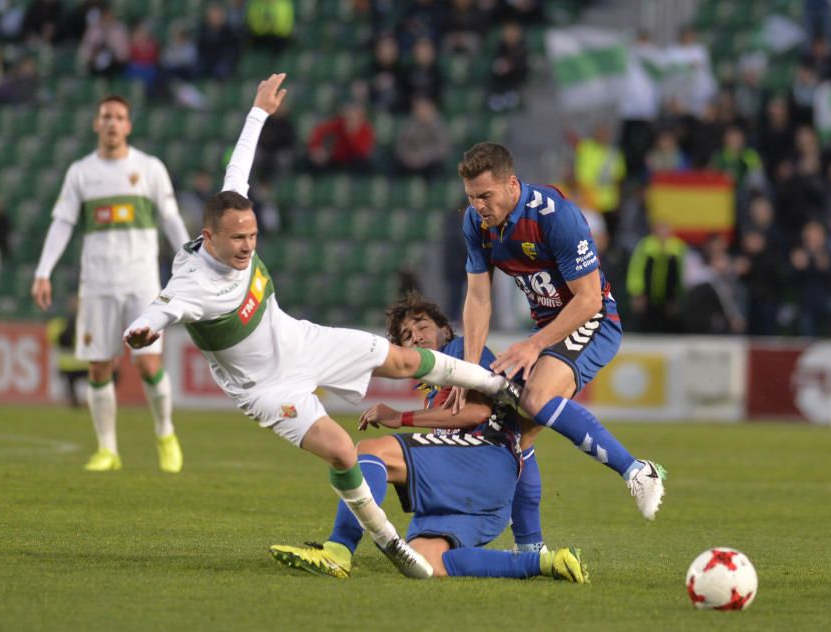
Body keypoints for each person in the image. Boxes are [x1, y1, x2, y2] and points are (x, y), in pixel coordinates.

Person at [122, 74, 522, 580]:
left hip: (299, 340)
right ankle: (386, 543)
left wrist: (258, 111)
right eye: (238, 239)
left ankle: (493, 383)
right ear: (209, 237)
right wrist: (143, 327)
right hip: (264, 388)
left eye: (253, 235)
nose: (248, 247)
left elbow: (237, 166)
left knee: (397, 359)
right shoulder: (192, 284)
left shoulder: (230, 213)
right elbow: (163, 309)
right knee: (340, 449)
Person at [269, 291, 583, 581]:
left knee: (370, 451)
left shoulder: (460, 351)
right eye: (407, 336)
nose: (416, 336)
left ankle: (338, 550)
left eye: (422, 326)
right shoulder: (434, 395)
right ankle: (546, 563)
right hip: (485, 496)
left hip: (486, 459)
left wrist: (399, 418)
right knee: (426, 560)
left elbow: (478, 412)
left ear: (445, 330)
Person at [453, 142, 666, 523]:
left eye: (486, 195)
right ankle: (530, 550)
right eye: (472, 198)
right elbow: (479, 298)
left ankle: (638, 471)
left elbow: (588, 301)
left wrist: (534, 345)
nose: (480, 206)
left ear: (512, 185)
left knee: (534, 398)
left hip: (592, 323)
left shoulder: (556, 216)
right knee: (515, 438)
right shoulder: (476, 223)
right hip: (549, 328)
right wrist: (467, 370)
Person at [31, 92, 190, 474]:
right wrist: (43, 270)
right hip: (98, 283)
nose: (112, 123)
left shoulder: (149, 168)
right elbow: (63, 223)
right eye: (106, 116)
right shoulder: (81, 172)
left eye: (119, 117)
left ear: (129, 125)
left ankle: (165, 434)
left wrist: (188, 258)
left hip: (141, 281)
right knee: (99, 367)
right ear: (96, 124)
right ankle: (108, 450)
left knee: (149, 363)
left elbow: (169, 217)